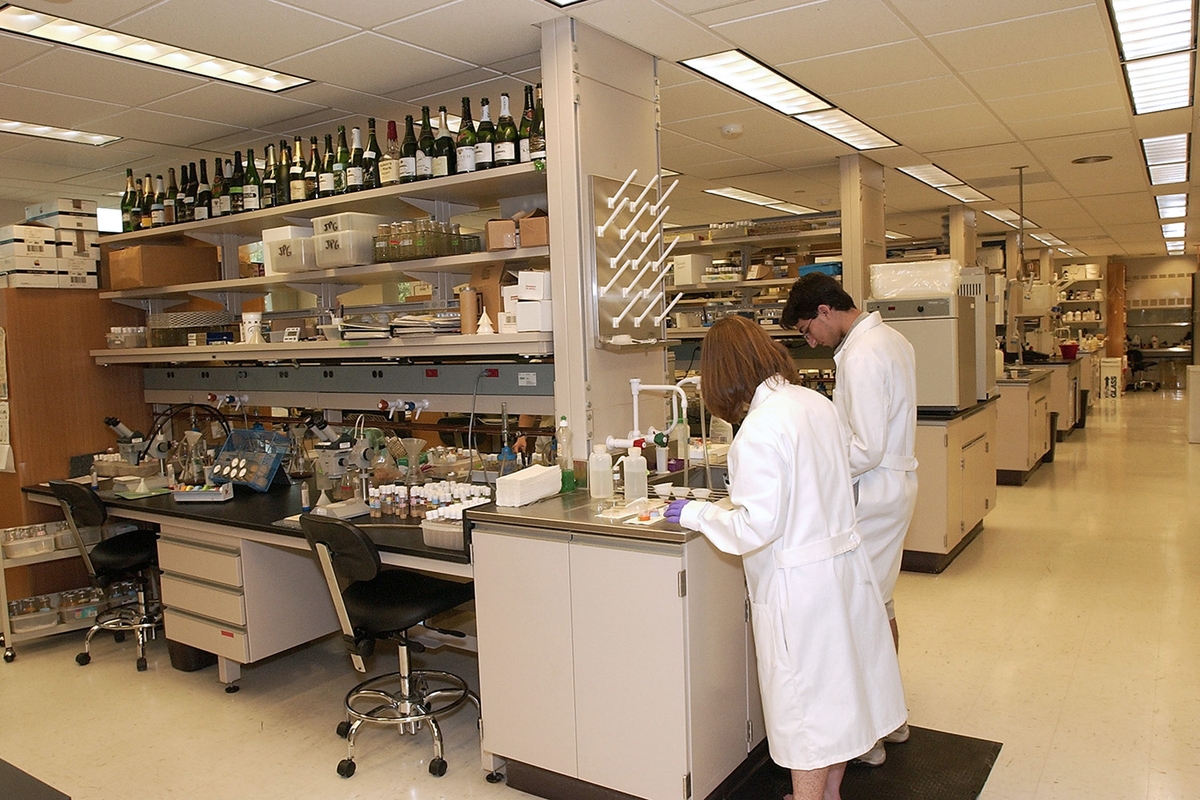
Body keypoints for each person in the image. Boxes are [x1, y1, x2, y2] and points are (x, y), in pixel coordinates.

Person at [664, 316, 905, 800]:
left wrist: (694, 513)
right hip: (843, 571)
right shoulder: (814, 402)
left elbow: (755, 526)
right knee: (840, 696)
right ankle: (828, 792)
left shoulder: (758, 429)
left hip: (800, 587)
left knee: (805, 711)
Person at [781, 273, 918, 765]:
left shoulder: (861, 354)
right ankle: (893, 719)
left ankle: (868, 738)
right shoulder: (891, 339)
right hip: (894, 487)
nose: (809, 341)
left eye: (805, 330)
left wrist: (816, 457)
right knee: (881, 603)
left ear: (823, 311)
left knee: (859, 611)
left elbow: (864, 447)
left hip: (874, 493)